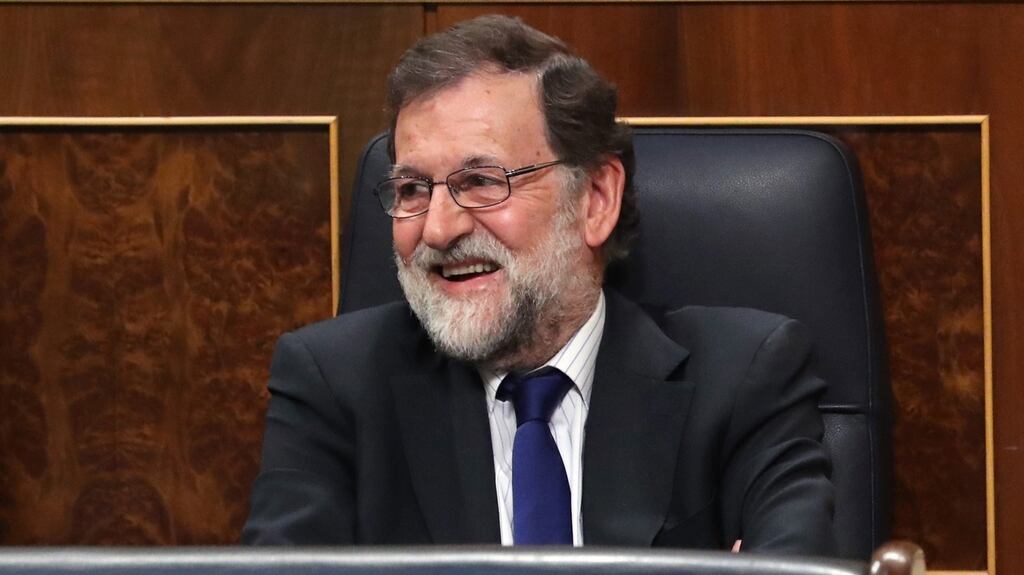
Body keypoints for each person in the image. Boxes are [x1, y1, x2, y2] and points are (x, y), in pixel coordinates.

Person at [242, 15, 836, 555]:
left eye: (481, 180)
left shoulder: (744, 381)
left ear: (596, 199)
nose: (439, 229)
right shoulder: (333, 387)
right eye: (412, 190)